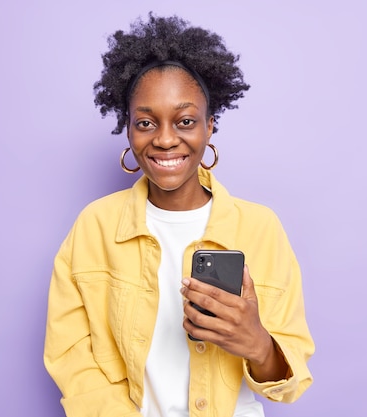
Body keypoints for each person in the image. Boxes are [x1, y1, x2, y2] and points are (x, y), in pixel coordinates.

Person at [44, 13, 314, 417]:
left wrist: (258, 344)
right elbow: (71, 357)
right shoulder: (95, 226)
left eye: (185, 121)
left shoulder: (261, 228)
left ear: (209, 127)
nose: (166, 139)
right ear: (129, 130)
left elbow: (289, 385)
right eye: (146, 123)